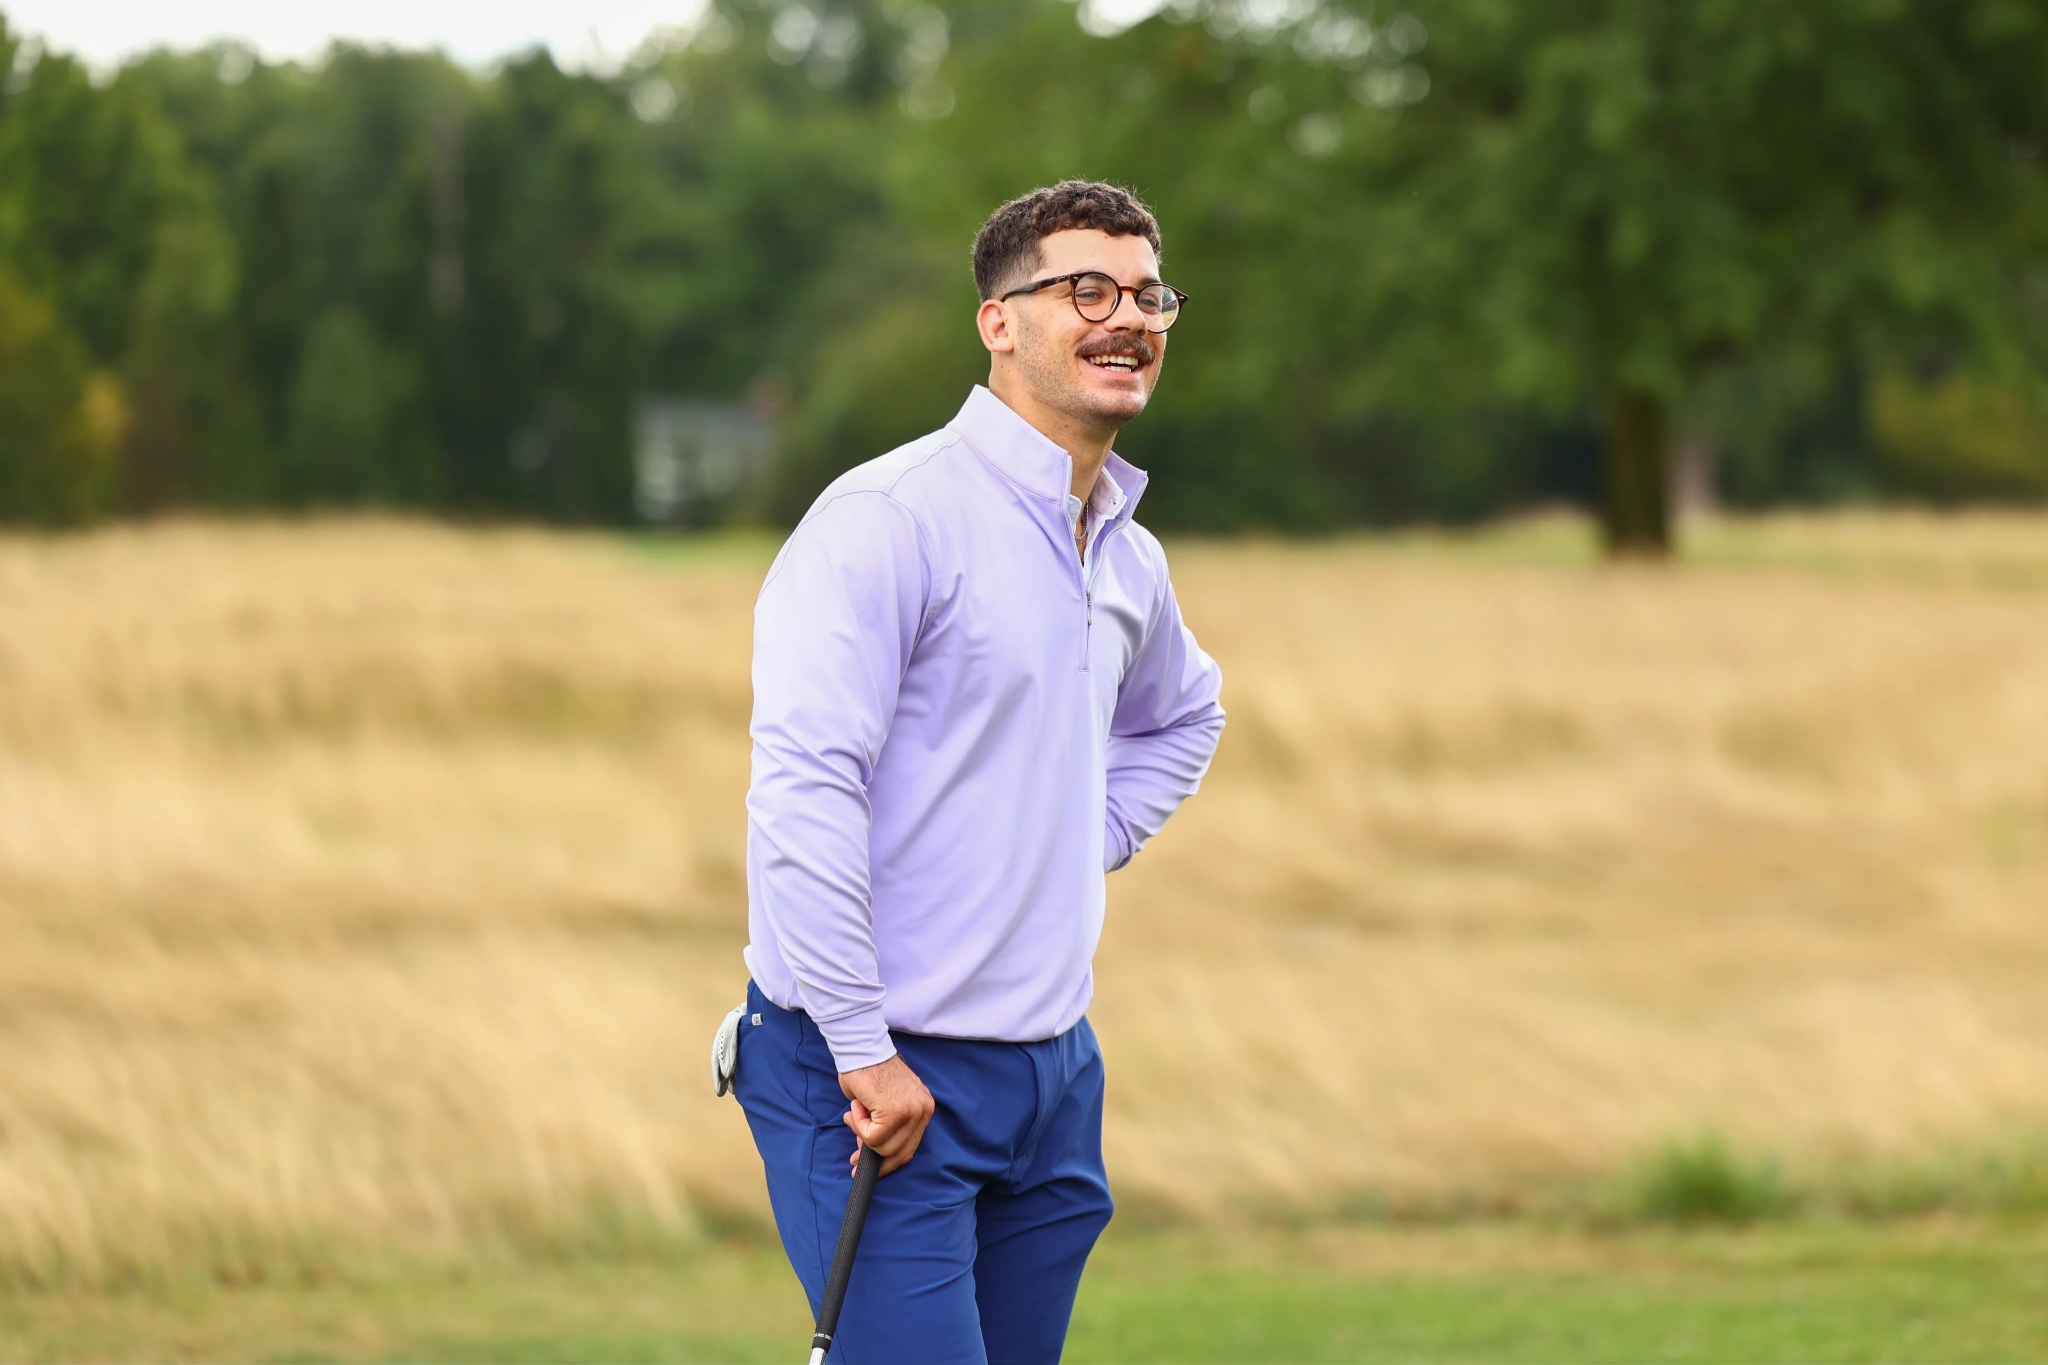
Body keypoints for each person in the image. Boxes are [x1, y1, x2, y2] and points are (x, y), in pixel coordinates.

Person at [731, 179, 1226, 1364]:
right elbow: (802, 795)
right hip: (874, 1081)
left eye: (1149, 294)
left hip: (1050, 1079)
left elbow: (1185, 715)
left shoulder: (1124, 548)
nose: (1128, 317)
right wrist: (862, 1049)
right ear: (998, 322)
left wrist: (1074, 832)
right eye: (1085, 289)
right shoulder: (888, 519)